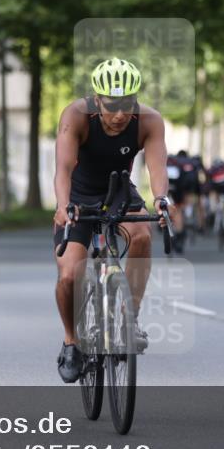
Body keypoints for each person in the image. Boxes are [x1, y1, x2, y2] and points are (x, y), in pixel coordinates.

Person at [53, 57, 173, 383]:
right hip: (78, 196)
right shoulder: (76, 116)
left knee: (143, 237)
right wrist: (63, 205)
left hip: (118, 191)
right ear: (97, 99)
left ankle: (128, 317)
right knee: (68, 276)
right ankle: (70, 342)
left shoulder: (149, 120)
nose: (120, 113)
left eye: (127, 104)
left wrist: (162, 199)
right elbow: (63, 168)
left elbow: (157, 168)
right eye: (112, 104)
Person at [206, 157, 224, 243]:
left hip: (215, 191)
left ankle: (212, 211)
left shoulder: (211, 170)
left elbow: (208, 183)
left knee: (213, 198)